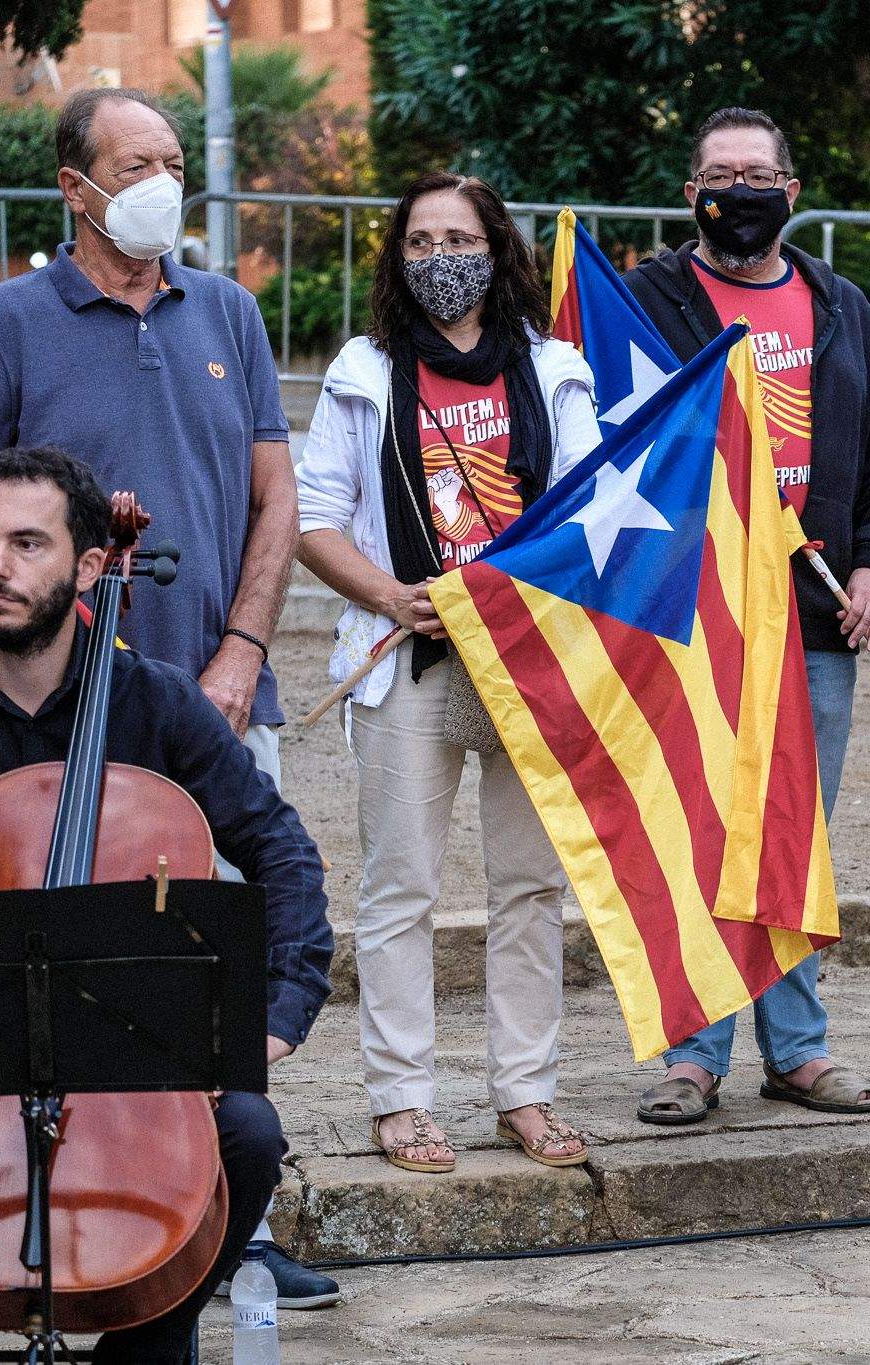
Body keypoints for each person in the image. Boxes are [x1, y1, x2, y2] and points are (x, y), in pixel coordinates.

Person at [0, 446, 333, 1362]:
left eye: (27, 544)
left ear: (89, 567)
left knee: (247, 1131)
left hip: (126, 1060)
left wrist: (268, 1018)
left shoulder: (156, 703)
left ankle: (141, 1353)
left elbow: (280, 850)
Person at [0, 85, 326, 1301]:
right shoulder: (2, 324)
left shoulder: (231, 313)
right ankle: (33, 1199)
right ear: (74, 187)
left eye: (171, 159)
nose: (164, 179)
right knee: (55, 949)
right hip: (56, 714)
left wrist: (240, 650)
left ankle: (218, 1223)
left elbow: (275, 497)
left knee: (208, 955)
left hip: (214, 698)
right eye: (137, 161)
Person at [295, 173, 600, 1172]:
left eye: (456, 237)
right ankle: (401, 1100)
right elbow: (312, 519)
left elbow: (589, 515)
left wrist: (531, 602)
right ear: (397, 260)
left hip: (528, 666)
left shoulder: (555, 371)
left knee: (526, 888)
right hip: (406, 660)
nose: (438, 256)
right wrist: (390, 595)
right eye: (418, 241)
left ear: (496, 249)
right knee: (400, 888)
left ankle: (525, 1091)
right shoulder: (366, 373)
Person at [621, 106, 870, 1125]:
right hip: (691, 613)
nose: (736, 189)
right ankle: (693, 1053)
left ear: (789, 192)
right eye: (718, 172)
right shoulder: (642, 303)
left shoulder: (840, 306)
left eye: (756, 172)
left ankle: (796, 1049)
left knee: (798, 831)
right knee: (702, 825)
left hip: (818, 614)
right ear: (688, 190)